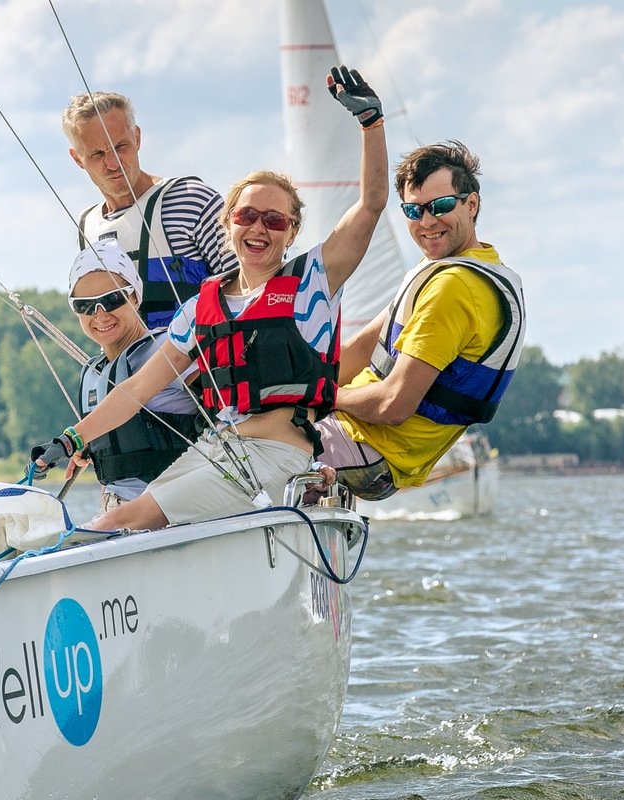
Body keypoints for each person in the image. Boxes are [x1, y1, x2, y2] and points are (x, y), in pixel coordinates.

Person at [35, 65, 387, 531]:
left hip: (276, 450)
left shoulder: (312, 281)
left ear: (292, 231)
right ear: (228, 223)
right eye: (246, 216)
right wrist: (71, 438)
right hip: (217, 447)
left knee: (124, 521)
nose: (258, 227)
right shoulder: (200, 308)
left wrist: (371, 125)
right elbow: (137, 389)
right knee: (122, 516)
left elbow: (371, 205)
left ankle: (52, 564)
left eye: (274, 220)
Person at [312, 140, 527, 501]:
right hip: (362, 444)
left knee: (231, 452)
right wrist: (294, 385)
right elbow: (365, 346)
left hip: (368, 449)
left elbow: (392, 404)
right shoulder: (454, 270)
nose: (427, 222)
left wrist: (322, 395)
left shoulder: (454, 287)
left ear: (471, 204)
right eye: (414, 211)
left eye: (440, 206)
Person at [63, 90, 238, 328]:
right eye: (97, 154)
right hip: (133, 365)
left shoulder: (192, 200)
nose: (113, 164)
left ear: (137, 137)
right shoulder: (87, 228)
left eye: (120, 146)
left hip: (205, 361)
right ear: (77, 159)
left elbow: (248, 289)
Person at [66, 240, 200, 512]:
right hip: (114, 510)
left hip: (175, 511)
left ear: (135, 297)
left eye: (112, 300)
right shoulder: (92, 374)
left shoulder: (168, 351)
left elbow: (227, 407)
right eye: (85, 306)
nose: (100, 315)